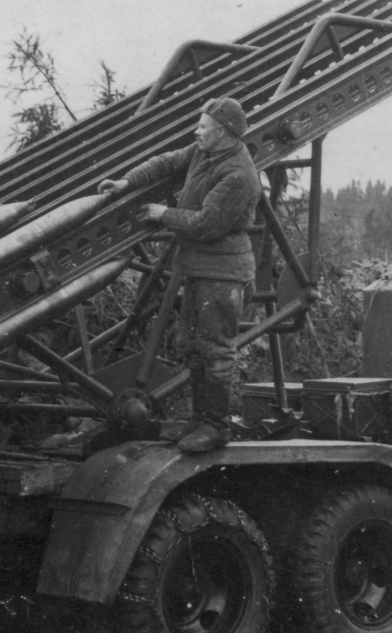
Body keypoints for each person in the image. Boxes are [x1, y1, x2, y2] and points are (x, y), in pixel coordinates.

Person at [98, 97, 260, 453]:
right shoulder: (206, 152)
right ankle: (200, 420)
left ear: (223, 132)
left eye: (202, 127)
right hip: (200, 268)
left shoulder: (238, 174)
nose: (196, 132)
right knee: (195, 348)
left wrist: (164, 214)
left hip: (224, 274)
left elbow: (206, 224)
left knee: (216, 350)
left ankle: (217, 427)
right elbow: (168, 161)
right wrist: (126, 182)